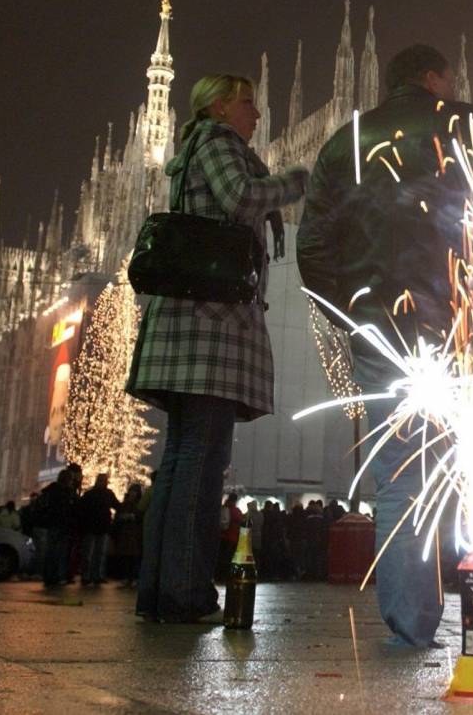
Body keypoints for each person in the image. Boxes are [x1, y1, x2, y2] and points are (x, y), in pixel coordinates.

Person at [298, 45, 473, 655]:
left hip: (382, 331)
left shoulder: (344, 143)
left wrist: (355, 314)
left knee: (403, 483)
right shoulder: (472, 125)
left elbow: (313, 249)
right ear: (435, 80)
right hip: (466, 326)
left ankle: (411, 628)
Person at [128, 73, 308, 624]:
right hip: (209, 334)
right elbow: (242, 197)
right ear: (221, 107)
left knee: (182, 462)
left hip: (187, 332)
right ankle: (185, 593)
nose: (257, 114)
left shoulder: (195, 150)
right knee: (202, 467)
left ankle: (159, 592)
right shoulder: (217, 142)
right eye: (249, 103)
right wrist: (296, 181)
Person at [78, 474, 121, 585]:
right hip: (100, 526)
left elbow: (81, 508)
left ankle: (88, 575)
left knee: (91, 553)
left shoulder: (90, 494)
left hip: (93, 526)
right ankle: (96, 575)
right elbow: (117, 506)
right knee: (97, 553)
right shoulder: (107, 494)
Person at [39, 468, 77, 587]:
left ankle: (50, 576)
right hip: (61, 524)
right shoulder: (66, 492)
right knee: (59, 552)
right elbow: (70, 508)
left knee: (52, 551)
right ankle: (56, 576)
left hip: (53, 524)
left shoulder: (51, 490)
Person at [112, 484, 143, 587]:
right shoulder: (127, 504)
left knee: (132, 557)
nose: (132, 494)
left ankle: (132, 578)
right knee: (127, 557)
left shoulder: (132, 504)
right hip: (127, 534)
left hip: (133, 534)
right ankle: (127, 578)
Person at [216, 492, 244, 582]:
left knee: (221, 557)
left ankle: (219, 575)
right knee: (229, 558)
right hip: (232, 538)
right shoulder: (236, 511)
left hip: (222, 536)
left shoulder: (224, 508)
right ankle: (226, 576)